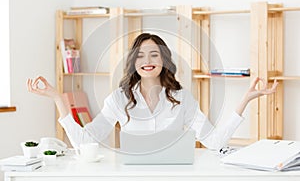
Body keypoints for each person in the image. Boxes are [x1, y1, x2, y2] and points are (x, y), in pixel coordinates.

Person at [27, 33, 278, 150]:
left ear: (164, 60)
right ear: (134, 62)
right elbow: (84, 143)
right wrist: (58, 99)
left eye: (154, 54)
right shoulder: (118, 99)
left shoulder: (181, 98)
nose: (147, 60)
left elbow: (214, 142)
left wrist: (245, 99)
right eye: (141, 55)